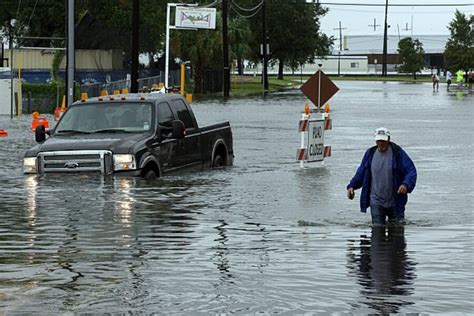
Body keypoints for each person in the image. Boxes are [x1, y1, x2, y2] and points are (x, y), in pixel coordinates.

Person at [346, 127, 417, 225]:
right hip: (376, 201)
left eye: (383, 141)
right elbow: (361, 172)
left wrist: (405, 185)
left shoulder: (397, 153)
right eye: (378, 141)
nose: (381, 143)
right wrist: (351, 186)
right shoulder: (370, 154)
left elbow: (411, 171)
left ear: (388, 139)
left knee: (397, 234)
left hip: (395, 201)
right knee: (377, 231)